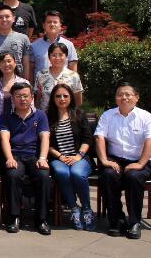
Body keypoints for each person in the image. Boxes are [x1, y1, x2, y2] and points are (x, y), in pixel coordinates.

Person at [95, 81, 151, 240]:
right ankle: (116, 219)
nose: (123, 97)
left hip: (139, 160)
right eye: (120, 94)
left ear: (136, 97)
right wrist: (104, 160)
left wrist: (140, 163)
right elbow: (99, 137)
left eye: (127, 94)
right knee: (108, 175)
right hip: (114, 159)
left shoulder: (146, 116)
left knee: (133, 177)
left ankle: (134, 222)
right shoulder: (108, 115)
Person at [0, 82, 52, 235]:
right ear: (12, 98)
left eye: (25, 96)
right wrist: (9, 158)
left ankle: (41, 219)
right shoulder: (5, 116)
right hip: (15, 155)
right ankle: (14, 217)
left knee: (43, 176)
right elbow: (4, 138)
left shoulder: (40, 115)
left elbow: (45, 137)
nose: (22, 99)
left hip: (34, 156)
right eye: (18, 96)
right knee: (13, 175)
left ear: (32, 97)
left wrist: (42, 158)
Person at [47, 84, 95, 231]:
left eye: (65, 96)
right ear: (53, 98)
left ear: (71, 98)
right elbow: (46, 143)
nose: (62, 99)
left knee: (76, 173)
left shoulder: (79, 115)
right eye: (58, 96)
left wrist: (78, 156)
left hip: (80, 157)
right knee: (62, 173)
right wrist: (60, 156)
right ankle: (74, 208)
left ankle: (87, 209)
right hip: (58, 157)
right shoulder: (48, 117)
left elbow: (87, 139)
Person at [0, 5, 32, 82]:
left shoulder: (23, 38)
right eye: (0, 17)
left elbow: (26, 65)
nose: (4, 19)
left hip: (17, 85)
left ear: (13, 18)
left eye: (7, 16)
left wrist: (26, 83)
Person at [35, 43, 84, 111]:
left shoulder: (73, 76)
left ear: (66, 56)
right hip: (45, 115)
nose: (57, 58)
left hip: (67, 115)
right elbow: (38, 99)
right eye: (54, 55)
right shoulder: (41, 75)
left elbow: (78, 101)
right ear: (49, 57)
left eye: (61, 55)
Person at [31, 10, 79, 76]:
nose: (52, 24)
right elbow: (30, 70)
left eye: (55, 22)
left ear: (60, 25)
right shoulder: (34, 46)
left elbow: (73, 71)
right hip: (41, 82)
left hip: (63, 82)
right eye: (49, 22)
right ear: (43, 25)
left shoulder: (69, 45)